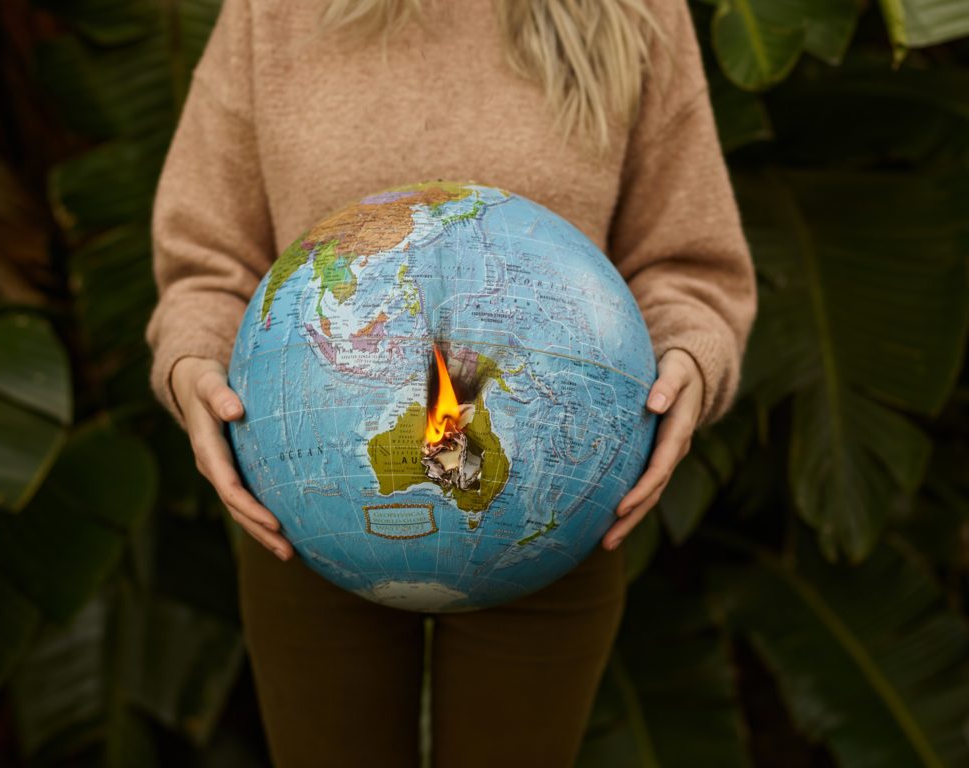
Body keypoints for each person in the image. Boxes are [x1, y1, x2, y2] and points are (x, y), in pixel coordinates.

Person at [144, 0, 757, 764]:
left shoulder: (636, 13)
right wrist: (192, 361)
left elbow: (686, 263)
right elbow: (209, 260)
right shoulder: (272, 13)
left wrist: (692, 357)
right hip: (309, 505)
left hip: (552, 508)